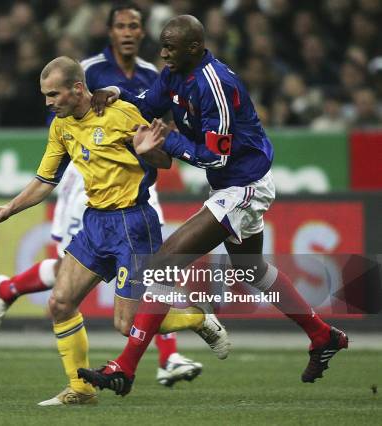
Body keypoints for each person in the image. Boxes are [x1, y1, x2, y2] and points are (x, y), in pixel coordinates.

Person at [77, 15, 348, 396]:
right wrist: (118, 94)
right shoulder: (174, 72)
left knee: (163, 263)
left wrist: (168, 142)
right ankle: (323, 336)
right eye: (163, 44)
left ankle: (126, 367)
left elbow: (215, 158)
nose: (163, 52)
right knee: (250, 269)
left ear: (193, 47)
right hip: (231, 184)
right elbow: (148, 105)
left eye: (170, 46)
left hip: (243, 184)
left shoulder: (214, 84)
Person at [0, 56, 228, 406]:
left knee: (127, 325)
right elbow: (44, 181)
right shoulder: (61, 126)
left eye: (54, 94)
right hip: (95, 222)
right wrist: (8, 209)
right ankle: (81, 389)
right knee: (60, 302)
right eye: (45, 95)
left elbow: (163, 160)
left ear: (78, 89)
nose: (48, 103)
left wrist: (146, 151)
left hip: (133, 223)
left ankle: (197, 317)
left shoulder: (122, 113)